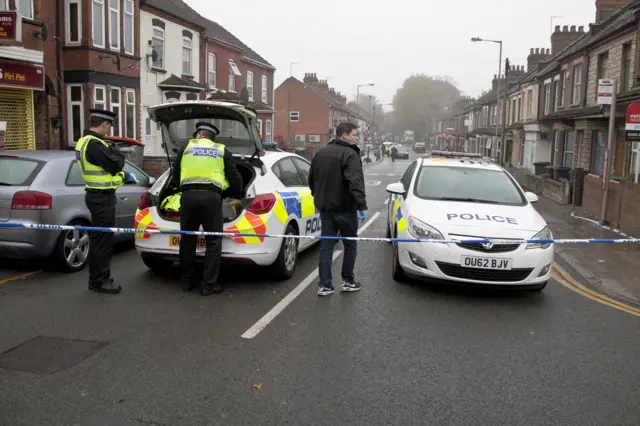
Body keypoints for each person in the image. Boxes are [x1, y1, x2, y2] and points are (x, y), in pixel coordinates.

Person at [170, 122, 242, 296]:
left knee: (187, 239)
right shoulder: (220, 150)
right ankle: (208, 285)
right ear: (212, 137)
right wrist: (234, 195)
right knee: (213, 241)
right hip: (211, 198)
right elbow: (234, 177)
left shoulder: (186, 148)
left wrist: (176, 191)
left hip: (188, 197)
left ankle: (187, 282)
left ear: (198, 134)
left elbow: (176, 174)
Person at [75, 109, 134, 294]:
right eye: (109, 126)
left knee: (98, 239)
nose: (109, 130)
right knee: (103, 241)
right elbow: (115, 164)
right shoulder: (94, 144)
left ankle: (96, 279)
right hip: (101, 197)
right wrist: (119, 153)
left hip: (96, 195)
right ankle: (101, 281)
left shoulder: (84, 141)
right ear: (104, 124)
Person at [309, 122, 367, 296]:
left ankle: (324, 285)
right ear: (344, 135)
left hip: (326, 209)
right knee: (350, 245)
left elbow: (312, 179)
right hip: (346, 208)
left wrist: (318, 198)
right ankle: (348, 281)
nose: (357, 138)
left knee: (326, 246)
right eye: (354, 135)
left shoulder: (320, 153)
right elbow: (355, 181)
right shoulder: (350, 154)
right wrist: (361, 205)